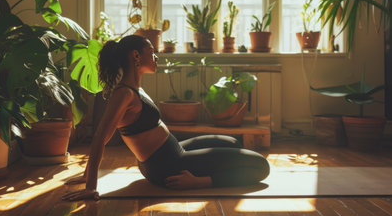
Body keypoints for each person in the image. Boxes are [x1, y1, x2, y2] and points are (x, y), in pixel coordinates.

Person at [62, 35, 270, 201]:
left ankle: (205, 172)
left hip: (174, 151)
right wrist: (90, 185)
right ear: (135, 56)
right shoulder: (124, 94)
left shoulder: (135, 88)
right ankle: (202, 181)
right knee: (261, 166)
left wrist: (87, 173)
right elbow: (100, 136)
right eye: (151, 53)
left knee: (233, 142)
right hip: (168, 165)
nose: (156, 57)